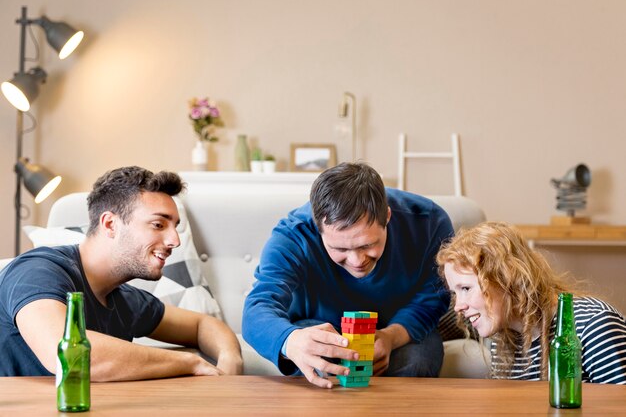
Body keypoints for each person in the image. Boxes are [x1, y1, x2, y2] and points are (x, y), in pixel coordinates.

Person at [0, 166, 243, 379]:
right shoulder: (37, 271)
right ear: (110, 224)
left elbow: (203, 325)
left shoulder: (125, 300)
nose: (174, 240)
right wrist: (189, 363)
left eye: (175, 227)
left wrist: (230, 360)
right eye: (158, 225)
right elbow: (67, 354)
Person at [243, 162, 453, 388]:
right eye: (340, 249)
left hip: (399, 329)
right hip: (318, 325)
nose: (357, 261)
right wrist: (290, 340)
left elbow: (433, 297)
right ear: (318, 226)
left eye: (368, 245)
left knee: (418, 362)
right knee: (316, 362)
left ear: (388, 217)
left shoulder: (430, 222)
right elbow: (258, 307)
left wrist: (390, 337)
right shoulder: (292, 236)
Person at [436, 221, 626, 384]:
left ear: (505, 277)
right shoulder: (504, 339)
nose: (458, 306)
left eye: (466, 289)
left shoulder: (594, 326)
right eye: (455, 293)